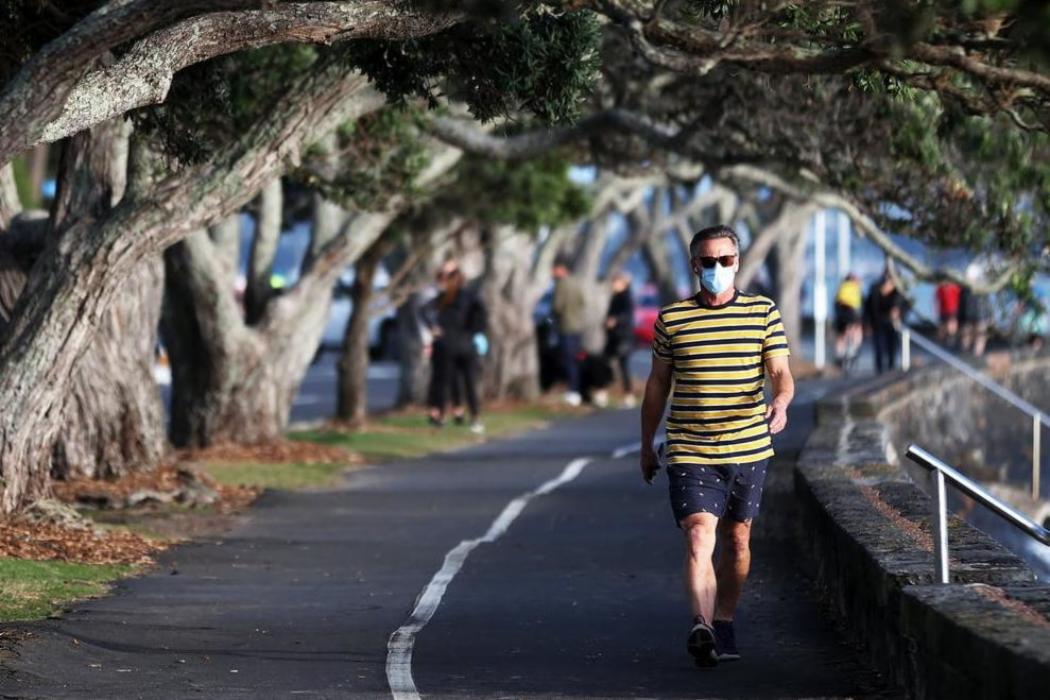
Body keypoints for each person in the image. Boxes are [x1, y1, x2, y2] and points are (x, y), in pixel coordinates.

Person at [639, 225, 794, 667]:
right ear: (694, 265)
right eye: (708, 262)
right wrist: (647, 444)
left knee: (738, 540)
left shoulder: (763, 312)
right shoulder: (673, 319)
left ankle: (724, 619)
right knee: (698, 533)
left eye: (725, 260)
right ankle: (702, 625)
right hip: (690, 447)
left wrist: (781, 402)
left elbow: (780, 373)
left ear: (737, 262)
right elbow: (657, 386)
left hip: (748, 446)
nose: (717, 269)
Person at [424, 265, 486, 433]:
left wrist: (433, 328)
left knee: (444, 382)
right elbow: (481, 318)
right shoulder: (471, 297)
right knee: (469, 383)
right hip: (466, 344)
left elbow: (424, 310)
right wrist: (474, 333)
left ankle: (442, 416)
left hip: (446, 345)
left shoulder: (444, 298)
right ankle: (475, 418)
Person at [551, 259, 586, 406]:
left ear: (561, 269)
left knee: (568, 360)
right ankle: (577, 389)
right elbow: (582, 302)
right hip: (578, 326)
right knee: (575, 359)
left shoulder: (561, 285)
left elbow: (557, 306)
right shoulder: (576, 283)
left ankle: (572, 390)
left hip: (565, 326)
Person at [604, 270, 636, 407]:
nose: (613, 285)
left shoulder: (626, 298)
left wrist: (615, 320)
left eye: (615, 282)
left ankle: (628, 395)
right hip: (613, 336)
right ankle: (603, 390)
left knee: (623, 367)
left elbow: (627, 316)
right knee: (605, 362)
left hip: (623, 337)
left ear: (623, 283)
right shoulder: (615, 297)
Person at [864, 273, 906, 373]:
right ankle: (879, 370)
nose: (888, 281)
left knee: (892, 347)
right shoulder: (875, 290)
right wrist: (867, 323)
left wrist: (899, 313)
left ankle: (891, 368)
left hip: (892, 324)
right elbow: (868, 307)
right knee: (879, 347)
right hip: (878, 323)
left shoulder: (898, 292)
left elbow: (905, 306)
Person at [833, 273, 863, 372]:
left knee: (841, 337)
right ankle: (851, 352)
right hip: (850, 316)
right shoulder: (852, 288)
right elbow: (854, 305)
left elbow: (838, 303)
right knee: (854, 333)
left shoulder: (841, 288)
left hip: (842, 316)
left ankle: (840, 355)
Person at [935, 279, 962, 347]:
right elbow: (938, 299)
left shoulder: (955, 288)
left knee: (951, 325)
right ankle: (942, 340)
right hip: (943, 310)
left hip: (952, 310)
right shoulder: (941, 289)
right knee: (943, 326)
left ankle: (951, 339)